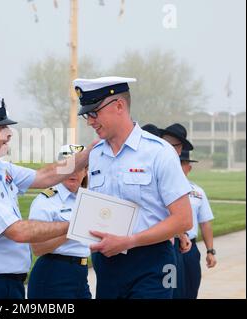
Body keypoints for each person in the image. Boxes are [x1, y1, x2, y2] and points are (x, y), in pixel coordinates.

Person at [0, 94, 95, 299]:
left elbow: (46, 176)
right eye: (1, 128)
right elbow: (19, 231)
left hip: (6, 285)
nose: (9, 134)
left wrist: (89, 153)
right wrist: (76, 223)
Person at [74, 77, 193, 299]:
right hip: (108, 265)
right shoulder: (97, 154)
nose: (90, 121)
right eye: (86, 115)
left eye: (94, 113)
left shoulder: (159, 152)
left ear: (119, 106)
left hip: (152, 263)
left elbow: (184, 219)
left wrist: (129, 241)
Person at [27, 144, 91, 299]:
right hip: (53, 274)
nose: (73, 173)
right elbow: (37, 248)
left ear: (85, 171)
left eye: (79, 167)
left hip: (80, 275)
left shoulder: (87, 199)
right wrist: (73, 228)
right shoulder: (46, 201)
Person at [159, 123, 194, 298]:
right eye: (178, 148)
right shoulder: (161, 165)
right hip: (157, 247)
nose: (179, 153)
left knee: (172, 289)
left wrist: (181, 235)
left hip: (169, 244)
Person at [179, 149, 216, 299]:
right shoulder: (161, 190)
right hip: (170, 247)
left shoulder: (198, 192)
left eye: (183, 163)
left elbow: (205, 223)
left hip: (190, 250)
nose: (179, 166)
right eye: (176, 163)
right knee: (170, 288)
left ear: (189, 168)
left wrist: (210, 251)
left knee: (191, 288)